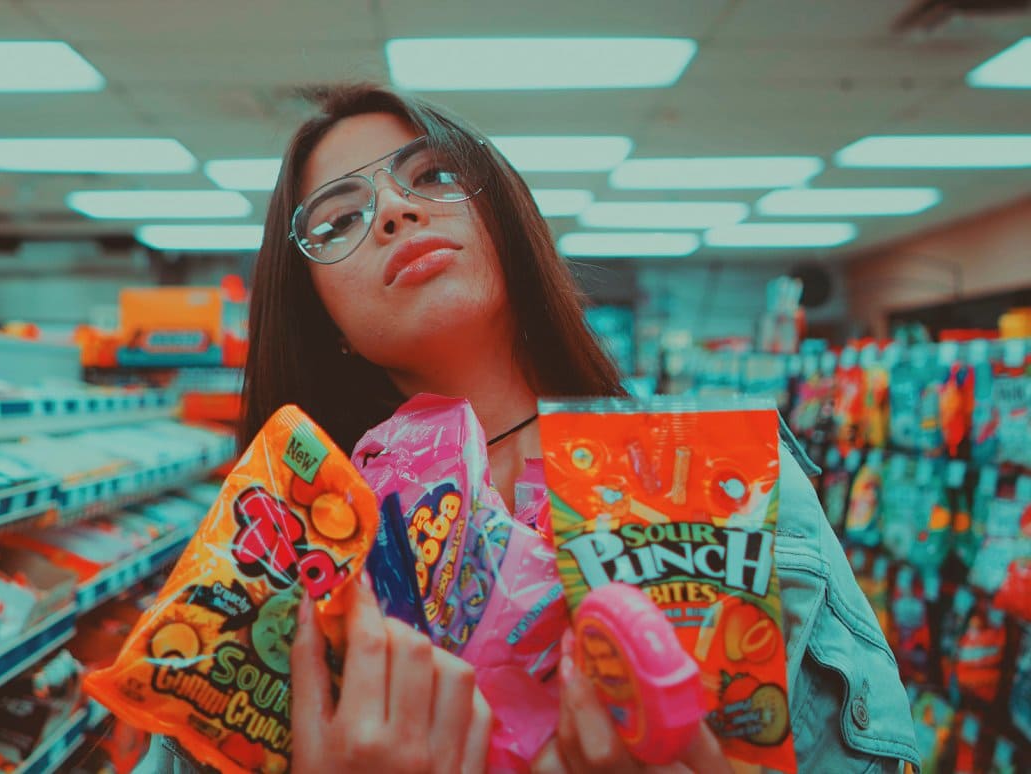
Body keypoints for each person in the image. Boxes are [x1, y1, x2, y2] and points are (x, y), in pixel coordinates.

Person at [232, 83, 920, 773]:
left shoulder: (729, 473)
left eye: (434, 175)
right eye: (340, 219)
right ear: (318, 314)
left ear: (506, 215)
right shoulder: (275, 547)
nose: (395, 213)